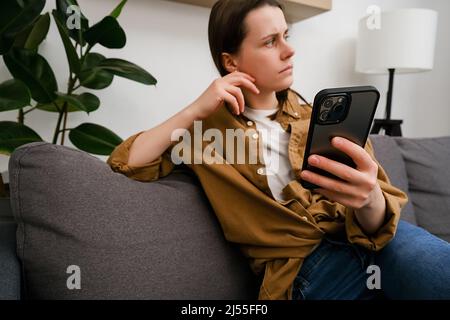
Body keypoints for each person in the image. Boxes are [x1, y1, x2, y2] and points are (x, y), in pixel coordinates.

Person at [107, 0, 450, 300]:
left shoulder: (323, 115)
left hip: (380, 243)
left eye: (287, 36)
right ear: (231, 62)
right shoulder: (205, 135)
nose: (289, 51)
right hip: (309, 269)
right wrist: (196, 109)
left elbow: (377, 225)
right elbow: (126, 163)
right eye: (270, 42)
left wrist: (370, 198)